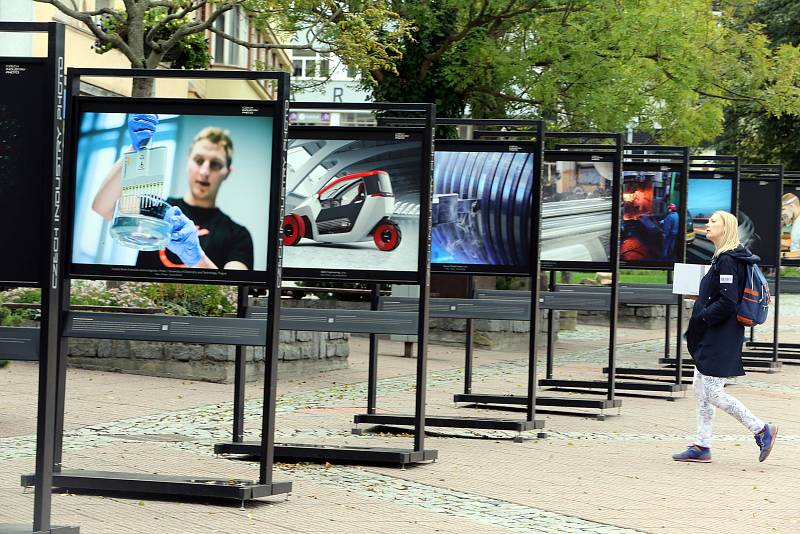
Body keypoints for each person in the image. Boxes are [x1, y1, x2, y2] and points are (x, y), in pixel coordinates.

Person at [674, 210, 777, 463]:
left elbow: (728, 303)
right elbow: (719, 295)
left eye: (713, 221)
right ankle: (702, 445)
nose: (707, 224)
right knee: (701, 389)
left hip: (719, 334)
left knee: (712, 392)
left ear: (726, 228)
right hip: (713, 331)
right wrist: (701, 303)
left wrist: (703, 316)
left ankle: (761, 429)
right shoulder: (722, 257)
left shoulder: (729, 260)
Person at [92, 114, 253, 270]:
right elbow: (102, 207)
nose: (204, 171)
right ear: (188, 161)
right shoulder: (156, 209)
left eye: (215, 164)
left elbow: (233, 293)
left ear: (227, 172)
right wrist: (134, 151)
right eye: (198, 161)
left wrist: (198, 259)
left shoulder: (238, 235)